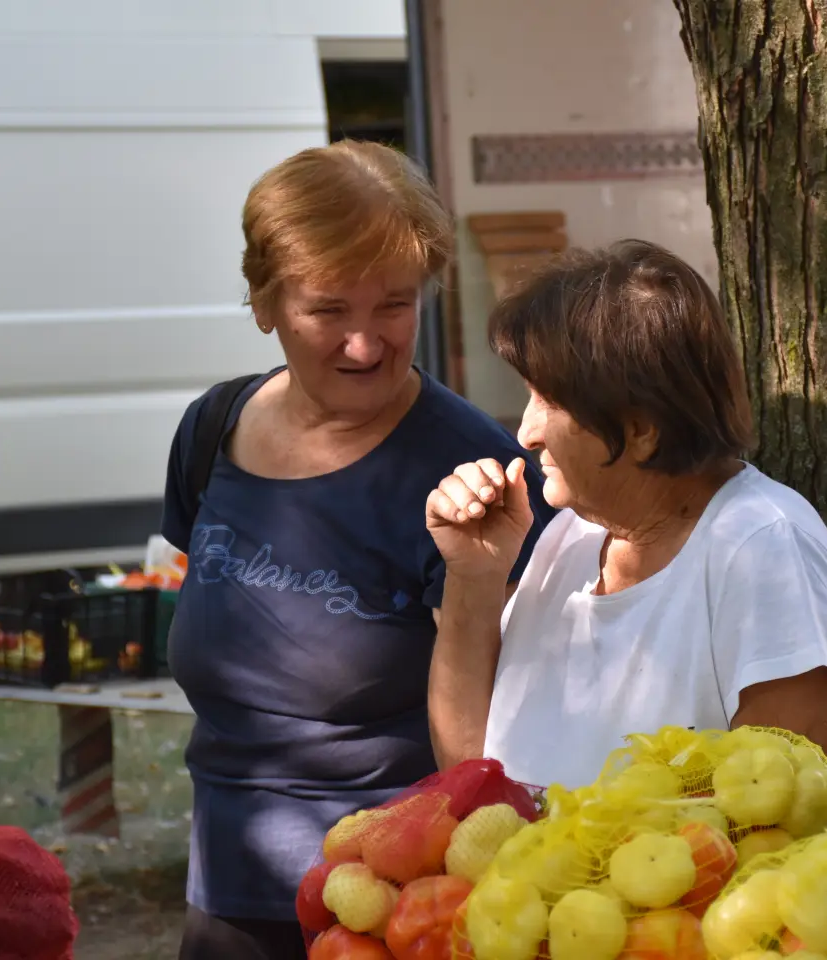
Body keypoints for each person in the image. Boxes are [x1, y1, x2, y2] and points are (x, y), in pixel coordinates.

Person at [160, 139, 556, 960]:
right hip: (224, 892)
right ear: (264, 303)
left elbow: (515, 742)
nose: (365, 344)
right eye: (329, 310)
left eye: (394, 306)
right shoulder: (213, 429)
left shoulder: (475, 478)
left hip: (394, 915)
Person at [425, 239, 827, 834]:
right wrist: (474, 578)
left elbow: (819, 826)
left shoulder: (763, 549)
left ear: (640, 430)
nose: (526, 433)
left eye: (548, 400)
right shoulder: (569, 536)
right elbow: (470, 778)